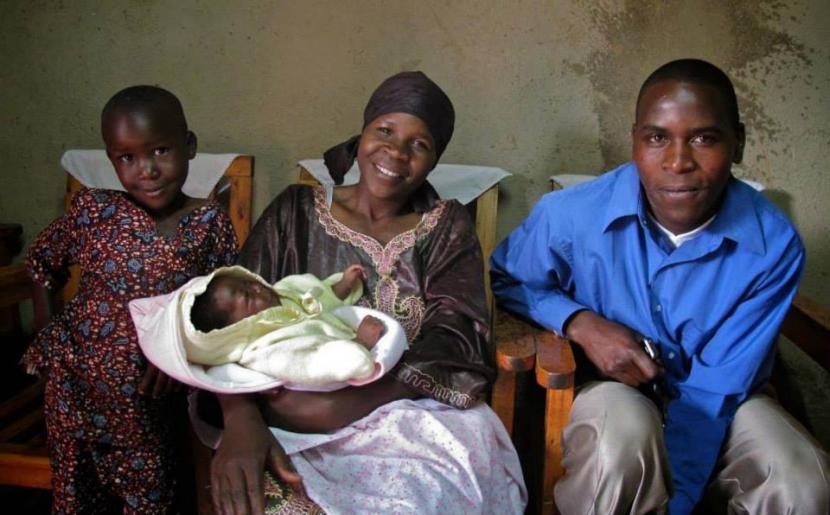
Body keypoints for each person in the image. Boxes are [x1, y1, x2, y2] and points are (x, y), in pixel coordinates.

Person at [491, 58, 830, 515]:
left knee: (801, 480)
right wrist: (580, 322)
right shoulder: (570, 215)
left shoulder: (772, 245)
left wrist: (681, 501)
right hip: (614, 394)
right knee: (621, 445)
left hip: (726, 398)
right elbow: (507, 277)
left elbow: (716, 390)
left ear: (739, 143)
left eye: (704, 139)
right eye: (656, 138)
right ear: (633, 142)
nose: (677, 162)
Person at [202, 71, 526, 514]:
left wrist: (351, 404)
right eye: (385, 131)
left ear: (434, 160)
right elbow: (231, 320)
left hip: (412, 417)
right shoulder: (293, 212)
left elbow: (459, 334)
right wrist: (241, 421)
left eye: (420, 144)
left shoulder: (445, 227)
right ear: (362, 133)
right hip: (284, 416)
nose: (396, 152)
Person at [23, 85, 239, 513]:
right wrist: (49, 334)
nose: (148, 170)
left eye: (160, 150)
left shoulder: (207, 221)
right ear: (112, 161)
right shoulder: (94, 211)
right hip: (73, 386)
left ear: (189, 145)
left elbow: (221, 305)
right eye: (128, 158)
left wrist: (179, 350)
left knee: (152, 487)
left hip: (150, 395)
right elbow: (41, 264)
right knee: (75, 486)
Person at [186, 264, 391, 386]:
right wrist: (360, 343)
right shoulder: (269, 348)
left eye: (248, 282)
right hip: (340, 384)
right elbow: (314, 363)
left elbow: (315, 300)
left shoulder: (282, 294)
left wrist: (342, 286)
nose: (258, 287)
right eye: (248, 296)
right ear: (236, 330)